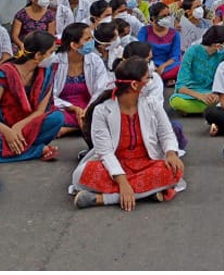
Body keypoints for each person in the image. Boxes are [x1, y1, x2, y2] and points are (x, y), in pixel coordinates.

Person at [71, 56, 186, 210]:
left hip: (147, 162)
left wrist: (171, 153)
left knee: (173, 171)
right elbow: (104, 152)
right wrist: (122, 182)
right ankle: (147, 193)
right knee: (81, 175)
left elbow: (166, 133)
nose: (150, 82)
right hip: (113, 165)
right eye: (148, 78)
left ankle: (101, 199)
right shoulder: (103, 110)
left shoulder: (152, 104)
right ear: (134, 84)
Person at [0, 31, 66, 163]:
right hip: (1, 127)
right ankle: (36, 151)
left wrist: (18, 127)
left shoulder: (46, 73)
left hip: (26, 125)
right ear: (38, 55)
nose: (53, 57)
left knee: (57, 118)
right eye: (50, 52)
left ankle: (17, 148)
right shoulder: (4, 74)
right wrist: (8, 132)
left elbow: (40, 111)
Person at [50, 23, 113, 133]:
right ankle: (83, 127)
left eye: (91, 38)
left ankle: (70, 129)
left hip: (88, 105)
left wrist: (86, 111)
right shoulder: (55, 62)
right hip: (63, 107)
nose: (92, 42)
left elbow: (100, 90)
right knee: (51, 116)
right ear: (74, 45)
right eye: (87, 39)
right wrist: (73, 108)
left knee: (106, 111)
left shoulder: (95, 60)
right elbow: (49, 95)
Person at [169, 25, 224, 115]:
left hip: (211, 93)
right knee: (176, 101)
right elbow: (180, 86)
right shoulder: (192, 51)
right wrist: (200, 96)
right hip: (190, 93)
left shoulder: (223, 55)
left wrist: (216, 94)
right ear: (218, 45)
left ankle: (197, 110)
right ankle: (210, 110)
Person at [138, 4, 182, 81]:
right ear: (154, 18)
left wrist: (163, 66)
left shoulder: (174, 33)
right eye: (163, 16)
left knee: (181, 66)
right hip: (149, 63)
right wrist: (152, 66)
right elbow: (140, 51)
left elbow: (175, 55)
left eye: (168, 15)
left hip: (168, 65)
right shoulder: (144, 31)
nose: (167, 18)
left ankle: (157, 77)